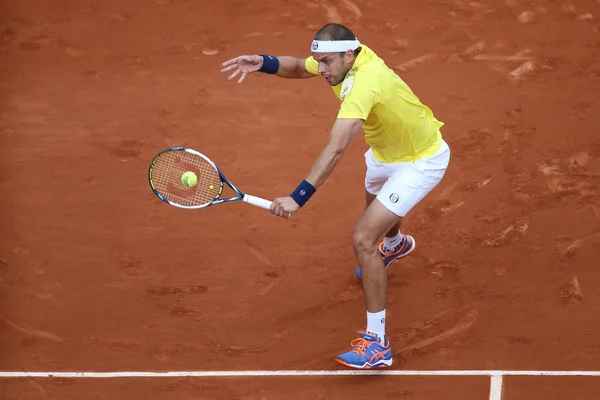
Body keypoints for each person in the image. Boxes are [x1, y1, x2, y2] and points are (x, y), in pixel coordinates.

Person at [221, 23, 451, 369]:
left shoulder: (364, 83)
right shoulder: (345, 59)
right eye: (320, 61)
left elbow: (336, 148)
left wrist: (298, 197)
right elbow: (299, 67)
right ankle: (396, 245)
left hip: (420, 161)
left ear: (348, 55)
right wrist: (264, 62)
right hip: (385, 154)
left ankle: (377, 344)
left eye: (327, 62)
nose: (322, 69)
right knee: (377, 211)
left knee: (362, 239)